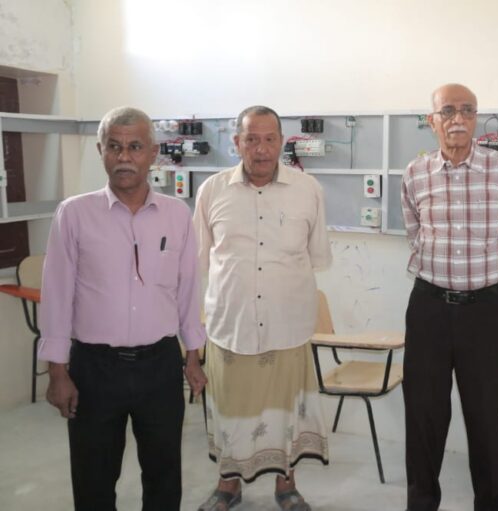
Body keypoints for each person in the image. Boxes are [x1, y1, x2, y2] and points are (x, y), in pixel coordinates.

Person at [39, 106, 207, 510]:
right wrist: (58, 372)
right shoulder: (74, 214)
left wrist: (193, 356)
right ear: (101, 151)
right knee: (93, 479)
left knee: (164, 476)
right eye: (114, 147)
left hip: (160, 367)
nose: (124, 157)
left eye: (135, 147)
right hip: (94, 369)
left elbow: (188, 289)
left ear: (153, 153)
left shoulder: (176, 215)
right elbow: (57, 294)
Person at [194, 105, 332, 511]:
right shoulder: (212, 191)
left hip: (287, 326)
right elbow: (198, 260)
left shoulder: (308, 190)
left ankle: (287, 486)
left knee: (286, 412)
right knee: (230, 410)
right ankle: (228, 485)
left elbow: (316, 256)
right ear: (236, 143)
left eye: (270, 139)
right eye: (251, 139)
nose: (261, 148)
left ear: (282, 142)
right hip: (230, 325)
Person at [400, 83, 498, 511]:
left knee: (486, 417)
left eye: (467, 110)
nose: (458, 119)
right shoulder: (415, 173)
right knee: (423, 415)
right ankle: (421, 503)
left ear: (476, 118)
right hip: (429, 308)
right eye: (448, 111)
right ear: (431, 120)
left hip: (484, 311)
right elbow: (415, 232)